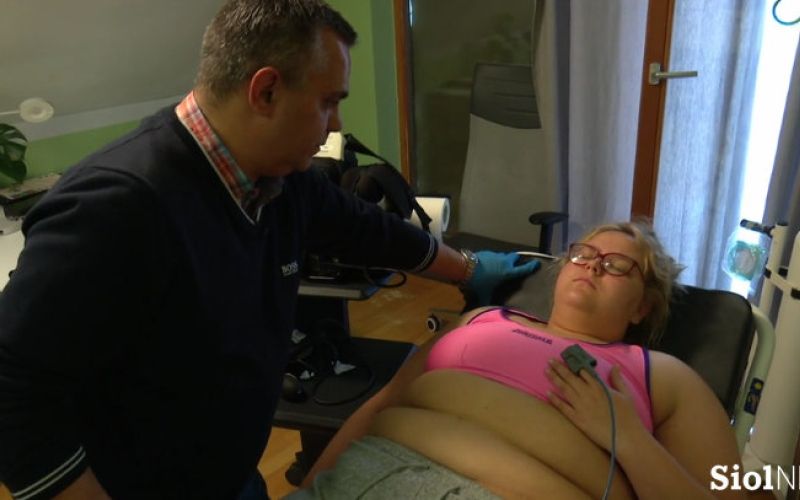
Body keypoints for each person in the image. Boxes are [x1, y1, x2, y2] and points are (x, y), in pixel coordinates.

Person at [0, 1, 538, 499]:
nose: (337, 124)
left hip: (229, 475)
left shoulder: (279, 178)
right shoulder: (118, 207)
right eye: (328, 102)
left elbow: (367, 229)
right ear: (266, 92)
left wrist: (469, 269)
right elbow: (13, 390)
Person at [293, 221, 746, 500]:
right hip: (365, 473)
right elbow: (382, 403)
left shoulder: (662, 375)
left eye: (615, 266)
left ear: (641, 307)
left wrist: (628, 439)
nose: (592, 266)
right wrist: (312, 485)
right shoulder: (481, 318)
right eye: (583, 254)